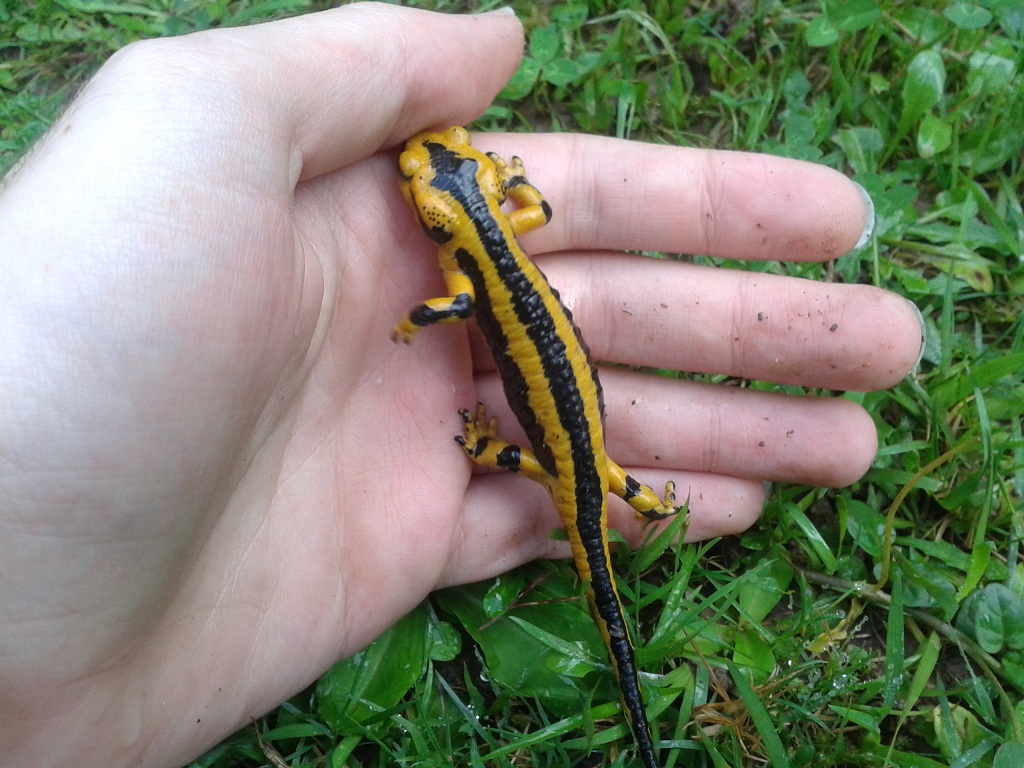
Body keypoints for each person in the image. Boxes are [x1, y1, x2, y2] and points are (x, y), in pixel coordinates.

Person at [0, 4, 924, 765]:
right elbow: (538, 210)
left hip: (561, 442)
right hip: (578, 431)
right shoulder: (500, 236)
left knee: (573, 478)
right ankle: (614, 500)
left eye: (434, 185)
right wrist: (498, 197)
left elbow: (451, 307)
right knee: (591, 473)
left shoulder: (467, 274)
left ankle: (541, 476)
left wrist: (416, 330)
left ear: (451, 214)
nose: (420, 174)